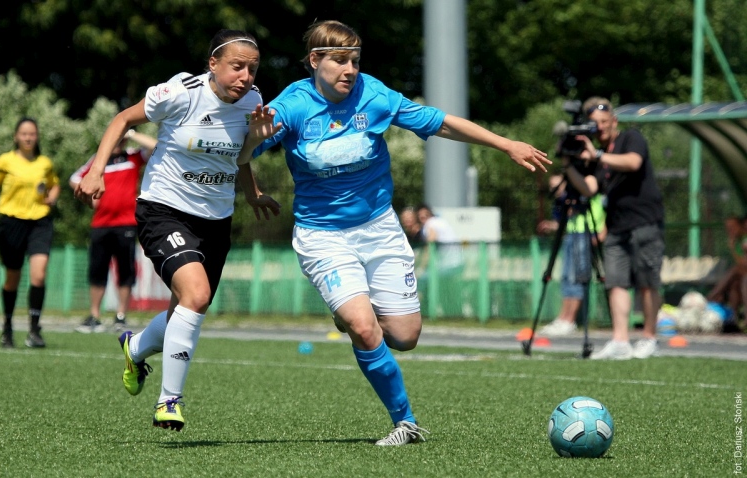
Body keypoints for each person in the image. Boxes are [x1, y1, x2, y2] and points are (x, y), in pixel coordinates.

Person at [237, 20, 550, 445]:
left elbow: (441, 123)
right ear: (314, 61)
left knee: (404, 336)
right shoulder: (292, 105)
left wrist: (505, 144)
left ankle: (349, 313)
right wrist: (252, 155)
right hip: (322, 235)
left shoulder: (375, 95)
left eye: (355, 61)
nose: (350, 70)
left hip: (380, 228)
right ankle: (405, 421)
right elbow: (240, 153)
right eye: (340, 60)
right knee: (364, 327)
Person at [74, 30, 281, 432]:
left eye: (252, 69)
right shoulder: (181, 92)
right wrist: (96, 170)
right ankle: (169, 401)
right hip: (163, 211)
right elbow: (122, 119)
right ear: (213, 64)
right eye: (237, 66)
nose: (245, 76)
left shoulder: (253, 102)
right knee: (196, 295)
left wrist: (252, 191)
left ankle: (135, 348)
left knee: (186, 308)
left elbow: (239, 156)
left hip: (216, 220)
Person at [563, 96, 665, 360]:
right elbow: (589, 188)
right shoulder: (598, 156)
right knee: (616, 282)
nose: (599, 128)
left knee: (647, 281)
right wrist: (568, 164)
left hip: (644, 221)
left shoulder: (630, 138)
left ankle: (649, 338)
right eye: (594, 124)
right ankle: (620, 341)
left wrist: (597, 155)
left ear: (614, 121)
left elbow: (633, 162)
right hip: (616, 226)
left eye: (603, 122)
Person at [0, 117, 60, 348]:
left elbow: (54, 184)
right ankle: (7, 326)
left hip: (40, 222)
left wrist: (53, 197)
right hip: (11, 223)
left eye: (32, 134)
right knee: (12, 278)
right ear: (16, 136)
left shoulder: (44, 163)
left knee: (39, 274)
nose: (28, 138)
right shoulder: (5, 161)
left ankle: (34, 330)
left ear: (37, 136)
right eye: (24, 133)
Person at [69, 129, 157, 333]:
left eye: (121, 138)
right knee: (97, 270)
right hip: (100, 224)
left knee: (125, 271)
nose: (118, 142)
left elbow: (155, 146)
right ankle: (94, 316)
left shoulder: (133, 156)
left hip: (126, 223)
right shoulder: (98, 161)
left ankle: (120, 316)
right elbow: (75, 178)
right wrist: (88, 195)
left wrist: (131, 133)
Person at [537, 174, 607, 337]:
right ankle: (563, 318)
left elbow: (603, 212)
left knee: (577, 278)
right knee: (567, 277)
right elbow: (567, 217)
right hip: (572, 234)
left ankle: (570, 320)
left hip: (585, 234)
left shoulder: (592, 191)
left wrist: (601, 232)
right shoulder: (566, 199)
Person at [706, 215, 747, 324]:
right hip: (743, 275)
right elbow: (741, 263)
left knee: (735, 270)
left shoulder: (744, 240)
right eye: (728, 228)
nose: (730, 230)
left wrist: (733, 248)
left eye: (732, 227)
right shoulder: (738, 241)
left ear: (740, 225)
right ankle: (733, 319)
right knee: (735, 284)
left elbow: (742, 264)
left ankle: (711, 297)